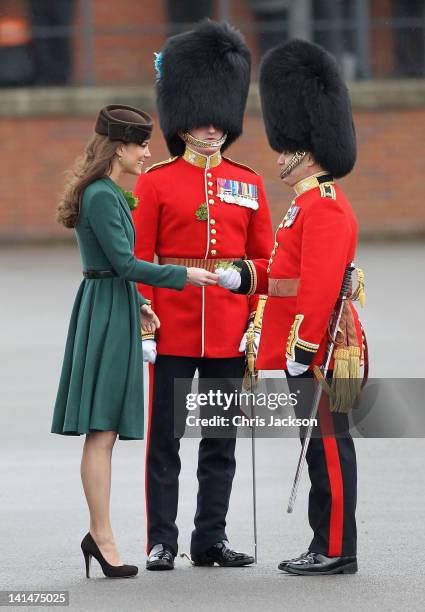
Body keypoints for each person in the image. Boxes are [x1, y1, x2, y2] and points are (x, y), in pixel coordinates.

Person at [217, 39, 366, 575]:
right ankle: (325, 541)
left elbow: (320, 286)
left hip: (319, 348)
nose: (279, 157)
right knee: (319, 447)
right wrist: (248, 288)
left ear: (306, 149)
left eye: (286, 149)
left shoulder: (323, 207)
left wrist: (303, 348)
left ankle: (336, 548)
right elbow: (286, 277)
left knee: (328, 447)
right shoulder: (306, 204)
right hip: (306, 347)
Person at [51, 104, 217, 579]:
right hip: (105, 309)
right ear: (118, 147)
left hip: (113, 303)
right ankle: (101, 536)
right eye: (140, 145)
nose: (147, 153)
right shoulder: (103, 195)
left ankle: (98, 534)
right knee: (101, 432)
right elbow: (124, 263)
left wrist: (139, 301)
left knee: (103, 431)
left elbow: (115, 265)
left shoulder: (106, 191)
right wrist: (184, 274)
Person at [133, 20, 274, 570]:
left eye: (220, 118)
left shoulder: (249, 182)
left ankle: (208, 538)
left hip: (228, 331)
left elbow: (269, 264)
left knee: (220, 446)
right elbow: (140, 258)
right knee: (165, 443)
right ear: (183, 117)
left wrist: (251, 298)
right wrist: (144, 318)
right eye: (202, 117)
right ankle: (161, 539)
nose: (212, 127)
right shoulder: (157, 181)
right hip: (171, 323)